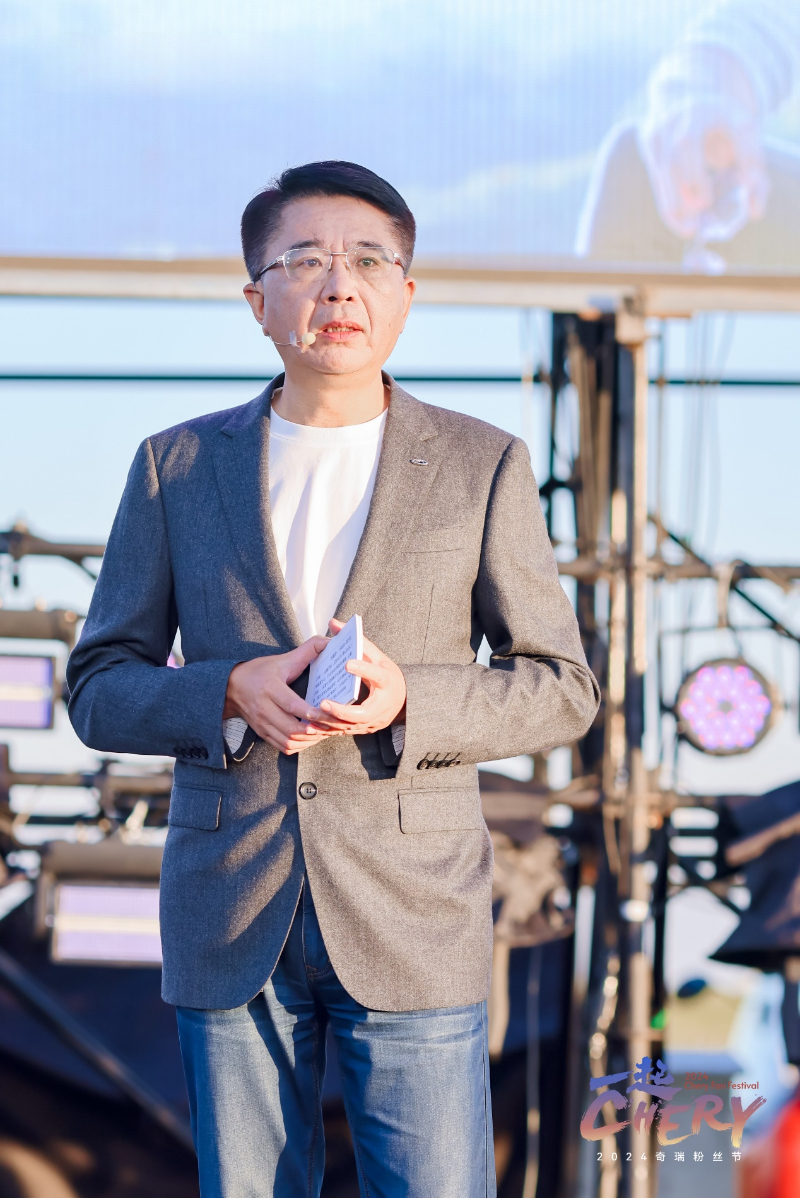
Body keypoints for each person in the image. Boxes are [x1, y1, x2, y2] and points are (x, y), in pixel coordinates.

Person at [67, 160, 599, 1198]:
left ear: (406, 292)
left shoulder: (481, 463)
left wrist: (411, 701)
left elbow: (560, 685)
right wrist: (227, 689)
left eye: (368, 261)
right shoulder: (175, 466)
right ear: (257, 300)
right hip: (232, 908)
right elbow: (97, 686)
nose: (339, 284)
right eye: (304, 260)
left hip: (412, 908)